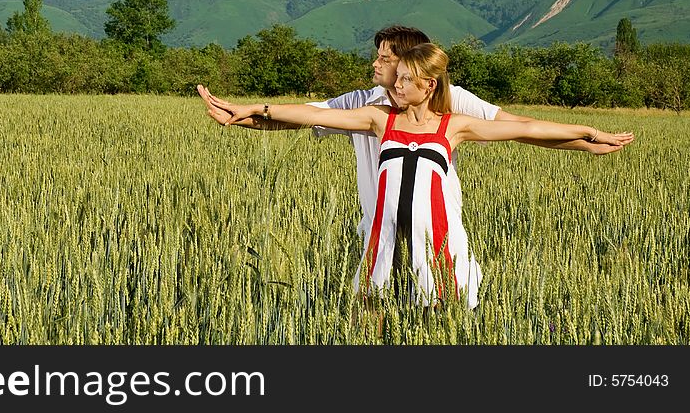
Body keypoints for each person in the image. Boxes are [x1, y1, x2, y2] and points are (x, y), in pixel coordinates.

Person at [197, 25, 628, 305]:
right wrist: (243, 115)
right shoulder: (367, 109)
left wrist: (586, 138)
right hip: (380, 230)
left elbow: (523, 127)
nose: (377, 65)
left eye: (386, 60)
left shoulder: (453, 108)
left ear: (418, 72)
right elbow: (301, 116)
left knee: (440, 305)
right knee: (375, 306)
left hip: (436, 233)